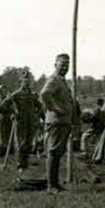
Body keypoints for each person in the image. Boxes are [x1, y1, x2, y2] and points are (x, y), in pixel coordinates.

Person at [39, 53, 76, 193]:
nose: (65, 68)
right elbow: (44, 94)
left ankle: (55, 183)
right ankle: (51, 186)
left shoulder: (62, 81)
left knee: (58, 153)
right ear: (55, 65)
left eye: (67, 65)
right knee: (53, 152)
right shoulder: (54, 79)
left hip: (63, 122)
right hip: (56, 122)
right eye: (62, 65)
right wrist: (56, 108)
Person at [3, 70, 43, 171]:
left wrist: (37, 115)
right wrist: (13, 112)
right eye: (25, 82)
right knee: (21, 143)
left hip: (30, 122)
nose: (27, 84)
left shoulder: (32, 95)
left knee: (29, 143)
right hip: (21, 122)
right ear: (21, 82)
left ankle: (25, 164)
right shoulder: (16, 94)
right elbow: (4, 105)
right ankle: (20, 165)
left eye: (28, 82)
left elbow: (40, 106)